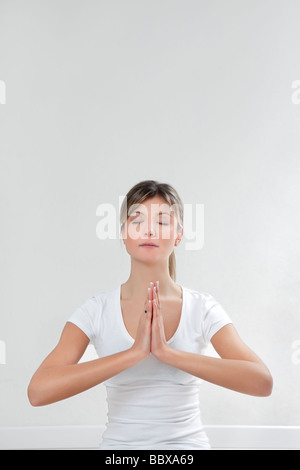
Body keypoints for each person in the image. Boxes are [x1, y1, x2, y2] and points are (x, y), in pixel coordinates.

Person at [27, 179, 273, 450]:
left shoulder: (201, 307)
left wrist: (169, 354)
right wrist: (133, 354)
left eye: (162, 222)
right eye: (137, 221)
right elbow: (38, 391)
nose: (149, 231)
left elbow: (261, 381)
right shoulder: (96, 310)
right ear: (123, 232)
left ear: (178, 235)